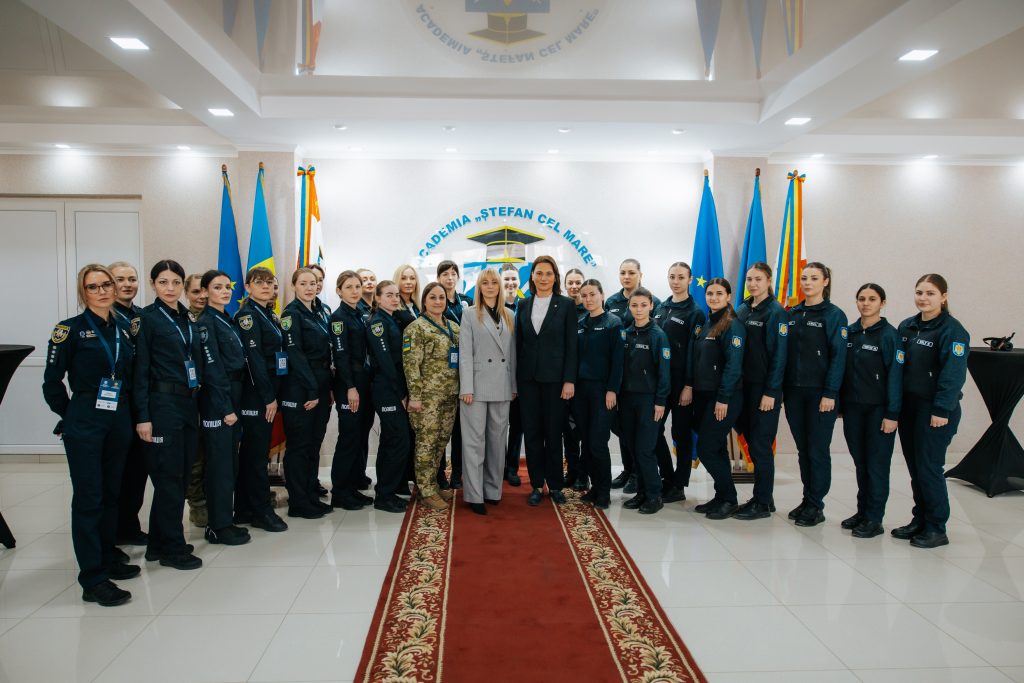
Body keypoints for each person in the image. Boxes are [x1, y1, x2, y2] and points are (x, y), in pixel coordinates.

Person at [43, 264, 139, 606]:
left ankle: (107, 555)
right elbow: (52, 382)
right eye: (93, 287)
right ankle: (93, 578)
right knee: (89, 497)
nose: (101, 291)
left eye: (106, 285)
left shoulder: (124, 328)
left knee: (112, 493)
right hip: (86, 417)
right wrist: (70, 416)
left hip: (119, 416)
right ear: (83, 293)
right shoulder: (69, 330)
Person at [133, 259, 203, 570]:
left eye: (176, 282)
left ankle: (158, 544)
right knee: (169, 478)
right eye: (163, 282)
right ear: (153, 285)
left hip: (187, 403)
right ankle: (173, 548)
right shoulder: (147, 320)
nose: (170, 288)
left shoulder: (187, 317)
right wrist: (143, 416)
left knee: (180, 475)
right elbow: (140, 371)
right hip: (161, 405)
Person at [893, 274, 969, 549]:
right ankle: (921, 519)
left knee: (929, 467)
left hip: (935, 411)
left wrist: (941, 409)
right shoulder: (907, 326)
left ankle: (937, 527)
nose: (923, 298)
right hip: (909, 408)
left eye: (930, 293)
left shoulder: (952, 330)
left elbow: (953, 373)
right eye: (919, 292)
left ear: (943, 297)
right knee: (916, 467)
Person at [784, 262, 848, 528]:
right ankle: (807, 498)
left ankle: (816, 504)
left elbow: (839, 357)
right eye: (804, 278)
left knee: (817, 449)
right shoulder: (793, 313)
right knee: (803, 449)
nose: (807, 283)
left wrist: (831, 392)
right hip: (794, 392)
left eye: (813, 278)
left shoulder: (834, 315)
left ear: (825, 281)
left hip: (821, 394)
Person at [515, 255, 578, 506]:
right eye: (539, 273)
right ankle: (536, 484)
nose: (543, 278)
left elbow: (572, 346)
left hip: (556, 381)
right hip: (528, 380)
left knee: (553, 433)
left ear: (555, 277)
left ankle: (556, 485)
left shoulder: (566, 305)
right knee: (532, 433)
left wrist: (569, 380)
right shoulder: (523, 305)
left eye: (548, 273)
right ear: (532, 276)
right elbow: (518, 345)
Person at [841, 283, 902, 539]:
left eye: (872, 299)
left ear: (882, 303)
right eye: (861, 299)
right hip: (853, 409)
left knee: (876, 465)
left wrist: (892, 414)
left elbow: (896, 376)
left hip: (879, 411)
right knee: (860, 462)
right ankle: (862, 512)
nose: (866, 303)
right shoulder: (850, 332)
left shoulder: (889, 335)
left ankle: (874, 518)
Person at [195, 270, 251, 545]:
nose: (225, 291)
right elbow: (213, 369)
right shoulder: (206, 322)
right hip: (219, 399)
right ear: (205, 292)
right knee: (219, 465)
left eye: (227, 287)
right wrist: (225, 407)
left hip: (233, 394)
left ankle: (225, 520)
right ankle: (217, 526)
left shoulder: (226, 318)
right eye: (217, 287)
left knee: (229, 463)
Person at [232, 267, 288, 532]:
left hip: (268, 391)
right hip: (257, 394)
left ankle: (244, 509)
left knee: (254, 453)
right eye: (259, 282)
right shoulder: (247, 316)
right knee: (255, 456)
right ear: (247, 287)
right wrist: (268, 398)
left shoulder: (268, 314)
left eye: (270, 282)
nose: (266, 286)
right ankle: (261, 511)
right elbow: (254, 360)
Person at [732, 262, 788, 520]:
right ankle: (765, 497)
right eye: (749, 279)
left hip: (764, 390)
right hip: (742, 387)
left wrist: (771, 392)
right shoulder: (742, 309)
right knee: (751, 442)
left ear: (768, 281)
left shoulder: (775, 312)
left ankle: (762, 502)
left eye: (758, 279)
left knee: (761, 444)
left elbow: (779, 356)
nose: (753, 284)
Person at [687, 279, 746, 519]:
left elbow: (733, 365)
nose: (713, 297)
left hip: (724, 397)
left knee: (707, 448)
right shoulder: (706, 323)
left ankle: (730, 499)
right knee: (716, 447)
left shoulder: (732, 325)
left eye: (719, 293)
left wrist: (723, 398)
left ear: (728, 296)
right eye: (710, 293)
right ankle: (721, 496)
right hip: (704, 395)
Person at [459, 270, 516, 514]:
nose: (490, 286)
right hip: (476, 387)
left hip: (502, 386)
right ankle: (474, 494)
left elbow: (512, 354)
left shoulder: (510, 314)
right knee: (474, 442)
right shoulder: (469, 314)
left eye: (494, 282)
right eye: (485, 282)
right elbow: (465, 353)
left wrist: (513, 386)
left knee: (497, 442)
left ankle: (493, 490)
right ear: (479, 287)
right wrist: (466, 387)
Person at [278, 268, 334, 519]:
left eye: (313, 283)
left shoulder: (318, 312)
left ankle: (310, 494)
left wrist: (325, 387)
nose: (310, 288)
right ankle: (298, 501)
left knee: (313, 443)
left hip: (320, 384)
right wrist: (312, 389)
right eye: (303, 283)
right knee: (299, 446)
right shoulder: (291, 314)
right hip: (301, 388)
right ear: (294, 286)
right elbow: (295, 355)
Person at [404, 282, 461, 510]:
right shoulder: (415, 328)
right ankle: (426, 491)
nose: (438, 301)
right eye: (433, 297)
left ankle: (433, 485)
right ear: (424, 301)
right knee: (426, 443)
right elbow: (411, 366)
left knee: (440, 442)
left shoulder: (454, 327)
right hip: (427, 398)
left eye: (441, 297)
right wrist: (415, 396)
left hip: (450, 395)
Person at [606, 258, 661, 494]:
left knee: (642, 438)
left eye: (631, 272)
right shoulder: (611, 301)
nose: (626, 277)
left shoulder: (653, 302)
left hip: (645, 384)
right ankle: (628, 471)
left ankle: (641, 477)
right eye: (623, 273)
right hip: (622, 380)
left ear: (640, 274)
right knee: (624, 430)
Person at [652, 261, 705, 503]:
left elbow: (695, 353)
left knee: (681, 433)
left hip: (682, 383)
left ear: (690, 280)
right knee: (653, 430)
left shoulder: (695, 312)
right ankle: (667, 477)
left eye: (681, 277)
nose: (676, 281)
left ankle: (679, 484)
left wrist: (689, 385)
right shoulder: (660, 307)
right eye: (672, 276)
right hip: (660, 382)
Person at [619, 287, 671, 514]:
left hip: (649, 401)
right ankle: (641, 492)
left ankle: (654, 495)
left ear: (651, 306)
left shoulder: (658, 335)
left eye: (643, 305)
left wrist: (661, 401)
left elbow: (664, 372)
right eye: (634, 305)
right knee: (633, 447)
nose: (638, 310)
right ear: (629, 307)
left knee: (645, 449)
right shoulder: (625, 333)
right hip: (627, 400)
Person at [574, 279, 624, 509]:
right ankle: (594, 488)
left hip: (603, 392)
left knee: (598, 443)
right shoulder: (580, 323)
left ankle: (604, 493)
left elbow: (618, 361)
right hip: (581, 391)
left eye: (592, 294)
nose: (588, 299)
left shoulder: (614, 324)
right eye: (584, 295)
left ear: (602, 295)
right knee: (586, 442)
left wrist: (612, 389)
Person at [109, 261, 148, 547]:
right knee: (115, 474)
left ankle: (129, 526)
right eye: (120, 279)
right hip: (115, 405)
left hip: (141, 403)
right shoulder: (104, 318)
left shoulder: (142, 317)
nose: (127, 284)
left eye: (132, 279)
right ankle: (111, 533)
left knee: (137, 470)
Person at [329, 270, 375, 510]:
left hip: (364, 382)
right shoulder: (339, 318)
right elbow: (341, 356)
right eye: (349, 287)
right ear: (339, 291)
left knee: (358, 436)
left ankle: (352, 486)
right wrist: (350, 387)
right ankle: (339, 491)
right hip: (350, 385)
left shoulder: (360, 314)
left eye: (357, 286)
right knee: (348, 438)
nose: (355, 291)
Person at [366, 280, 412, 513]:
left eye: (396, 295)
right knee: (398, 440)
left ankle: (386, 491)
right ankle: (385, 495)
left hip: (394, 388)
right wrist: (401, 393)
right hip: (387, 389)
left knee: (390, 441)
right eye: (389, 295)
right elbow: (385, 363)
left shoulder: (393, 319)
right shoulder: (378, 323)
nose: (395, 299)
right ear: (377, 298)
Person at [437, 260, 473, 489]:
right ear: (438, 277)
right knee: (441, 429)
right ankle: (440, 474)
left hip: (465, 370)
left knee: (461, 430)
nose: (449, 278)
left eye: (453, 274)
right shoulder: (435, 300)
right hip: (442, 373)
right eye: (445, 274)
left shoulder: (467, 301)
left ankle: (458, 474)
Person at [183, 274, 208, 529]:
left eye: (204, 291)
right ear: (187, 294)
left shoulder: (218, 318)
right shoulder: (184, 321)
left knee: (216, 452)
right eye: (195, 292)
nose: (201, 296)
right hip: (191, 395)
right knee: (196, 454)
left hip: (215, 395)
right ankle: (197, 503)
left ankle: (213, 497)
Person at [561, 268, 585, 488]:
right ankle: (572, 471)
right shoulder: (562, 309)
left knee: (584, 430)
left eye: (578, 282)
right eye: (571, 282)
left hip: (585, 382)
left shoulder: (591, 310)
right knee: (568, 430)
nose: (574, 286)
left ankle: (584, 475)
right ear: (565, 285)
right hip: (564, 381)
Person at [501, 263, 524, 486]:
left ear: (519, 281)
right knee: (498, 427)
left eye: (513, 279)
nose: (510, 283)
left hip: (520, 378)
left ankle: (512, 468)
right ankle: (498, 467)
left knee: (517, 427)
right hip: (498, 377)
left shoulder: (526, 306)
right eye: (506, 279)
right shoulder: (494, 308)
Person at [393, 264, 421, 330]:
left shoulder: (417, 306)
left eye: (412, 278)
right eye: (403, 278)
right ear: (397, 281)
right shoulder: (393, 307)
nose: (408, 282)